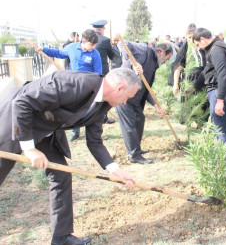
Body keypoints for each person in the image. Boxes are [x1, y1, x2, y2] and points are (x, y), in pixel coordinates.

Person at [0, 68, 139, 245]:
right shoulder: (75, 83)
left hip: (44, 128)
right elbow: (22, 103)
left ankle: (61, 237)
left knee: (61, 175)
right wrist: (29, 148)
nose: (125, 103)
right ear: (119, 88)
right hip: (14, 120)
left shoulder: (103, 104)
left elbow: (94, 142)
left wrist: (116, 171)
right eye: (127, 97)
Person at [39, 29, 102, 142]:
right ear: (83, 41)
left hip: (88, 87)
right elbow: (59, 53)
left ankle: (92, 132)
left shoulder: (95, 54)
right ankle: (75, 131)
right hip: (74, 86)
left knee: (89, 109)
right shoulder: (72, 48)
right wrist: (43, 49)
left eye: (95, 44)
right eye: (91, 44)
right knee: (74, 109)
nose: (93, 47)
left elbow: (98, 72)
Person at [117, 37, 171, 164]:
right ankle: (134, 155)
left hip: (136, 97)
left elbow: (146, 88)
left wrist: (155, 105)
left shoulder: (154, 64)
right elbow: (121, 43)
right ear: (162, 52)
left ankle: (136, 148)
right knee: (129, 125)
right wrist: (134, 63)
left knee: (139, 120)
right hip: (123, 93)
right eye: (167, 58)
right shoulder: (145, 50)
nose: (165, 62)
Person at [193, 28, 226, 153]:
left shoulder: (217, 50)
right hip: (218, 91)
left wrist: (220, 100)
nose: (198, 48)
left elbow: (223, 75)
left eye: (198, 44)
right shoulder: (214, 48)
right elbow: (207, 71)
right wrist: (194, 87)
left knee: (221, 129)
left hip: (220, 91)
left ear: (203, 39)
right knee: (221, 128)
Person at [91, 20, 116, 125]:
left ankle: (91, 115)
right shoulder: (105, 40)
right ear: (101, 30)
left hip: (89, 72)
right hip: (102, 72)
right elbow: (112, 56)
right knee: (103, 94)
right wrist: (112, 47)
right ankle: (103, 117)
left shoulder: (87, 40)